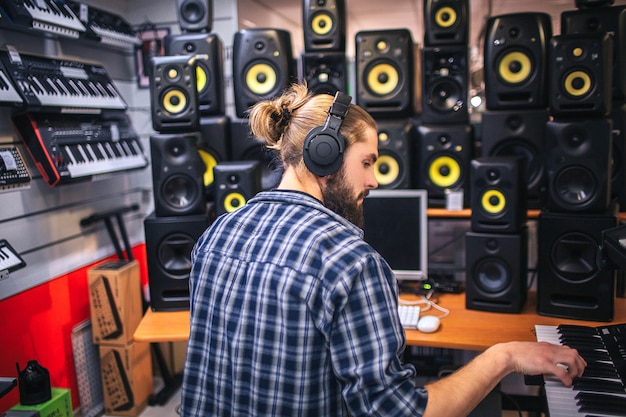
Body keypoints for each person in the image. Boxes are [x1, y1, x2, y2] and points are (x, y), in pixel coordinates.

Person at [179, 83, 586, 417]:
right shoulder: (350, 262)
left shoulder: (217, 234)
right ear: (325, 154)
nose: (374, 181)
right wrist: (505, 357)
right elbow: (399, 414)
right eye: (368, 162)